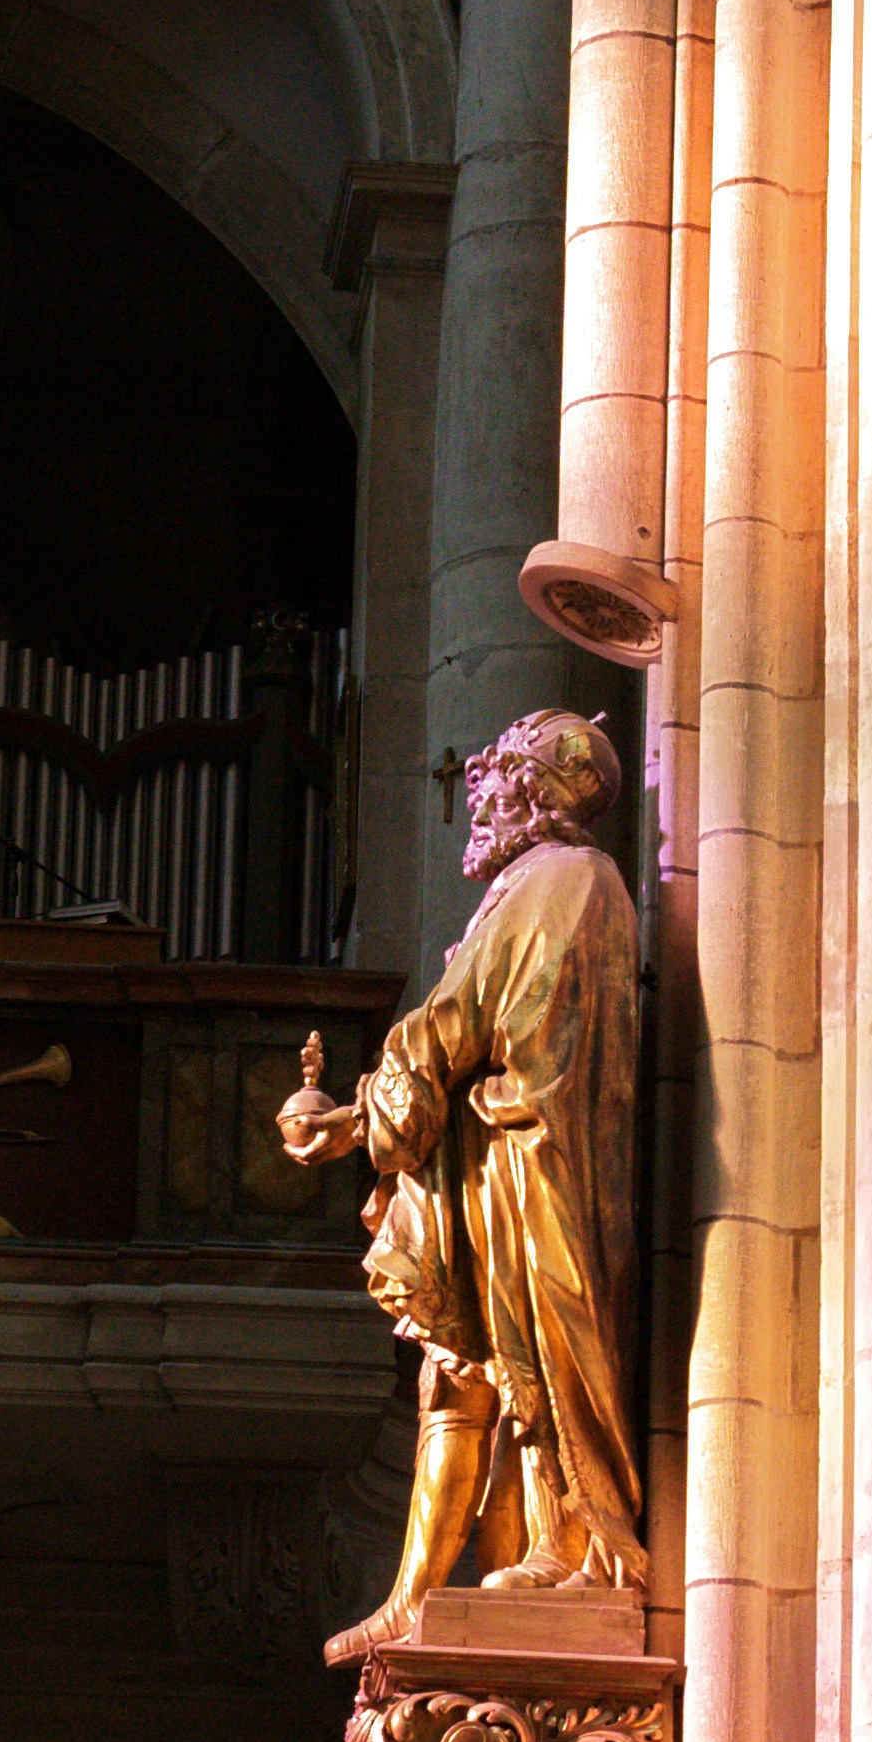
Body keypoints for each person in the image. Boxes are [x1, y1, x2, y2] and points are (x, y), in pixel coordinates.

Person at [284, 708, 653, 1654]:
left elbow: (456, 1023)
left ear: (536, 786)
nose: (477, 796)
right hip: (499, 1164)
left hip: (530, 1166)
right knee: (463, 1374)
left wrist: (357, 1119)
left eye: (494, 777)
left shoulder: (557, 880)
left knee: (534, 1358)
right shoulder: (556, 884)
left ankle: (571, 1543)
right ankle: (430, 1587)